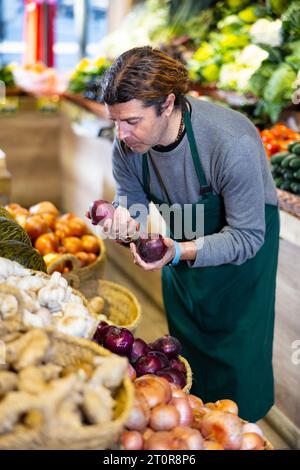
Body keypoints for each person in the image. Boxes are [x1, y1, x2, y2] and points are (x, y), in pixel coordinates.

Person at [97, 46, 280, 422]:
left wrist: (179, 251)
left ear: (166, 104)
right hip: (181, 265)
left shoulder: (231, 142)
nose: (122, 134)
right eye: (116, 121)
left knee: (237, 384)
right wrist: (124, 226)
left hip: (240, 271)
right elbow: (132, 207)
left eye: (132, 121)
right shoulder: (127, 147)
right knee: (183, 375)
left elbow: (246, 237)